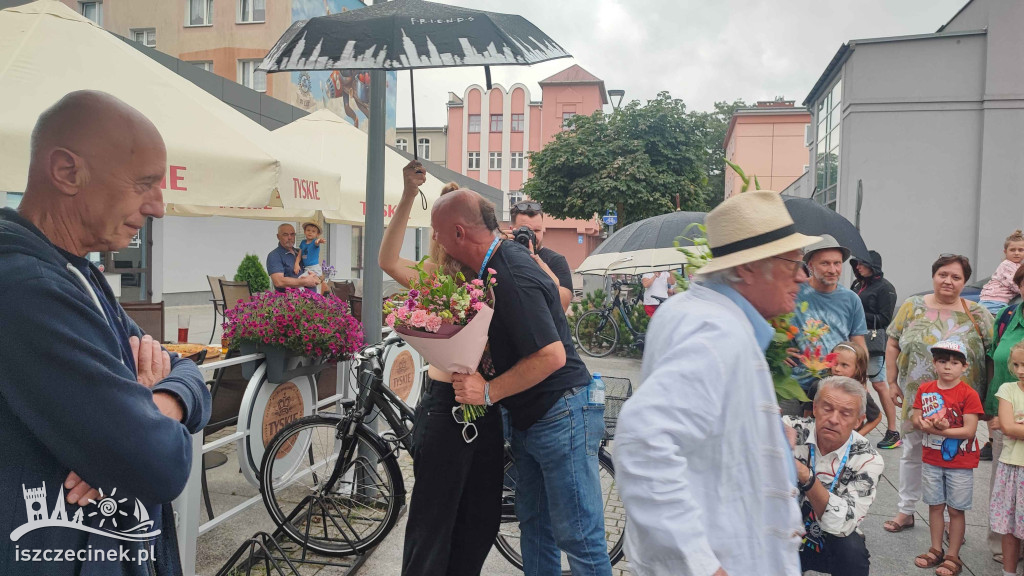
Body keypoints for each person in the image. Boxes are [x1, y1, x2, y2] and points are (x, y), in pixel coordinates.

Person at [0, 90, 211, 576]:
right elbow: (158, 463)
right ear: (67, 172)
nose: (158, 206)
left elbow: (183, 368)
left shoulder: (78, 274)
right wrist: (131, 439)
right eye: (144, 184)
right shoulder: (26, 289)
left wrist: (158, 404)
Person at [614, 191, 814, 576]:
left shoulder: (688, 308)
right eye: (793, 262)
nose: (802, 276)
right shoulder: (719, 332)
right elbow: (643, 440)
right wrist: (702, 566)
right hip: (727, 556)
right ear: (748, 269)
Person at [434, 189, 612, 576]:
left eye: (437, 232)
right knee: (536, 528)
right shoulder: (491, 267)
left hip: (561, 413)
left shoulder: (510, 272)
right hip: (532, 417)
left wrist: (486, 391)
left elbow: (552, 355)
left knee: (579, 538)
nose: (435, 241)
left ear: (459, 233)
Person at [379, 163, 503, 576]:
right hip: (444, 407)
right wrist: (408, 196)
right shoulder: (434, 279)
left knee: (480, 523)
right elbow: (387, 259)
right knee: (432, 528)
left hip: (486, 407)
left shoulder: (494, 274)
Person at [883, 254, 993, 535]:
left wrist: (988, 399)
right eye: (943, 274)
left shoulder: (978, 313)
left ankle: (946, 518)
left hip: (958, 405)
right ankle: (906, 510)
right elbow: (893, 342)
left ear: (964, 281)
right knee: (913, 453)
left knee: (949, 458)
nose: (948, 281)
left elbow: (990, 356)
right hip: (918, 398)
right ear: (933, 276)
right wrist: (892, 380)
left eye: (956, 277)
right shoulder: (912, 306)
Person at [783, 377, 884, 576]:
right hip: (784, 531)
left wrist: (806, 476)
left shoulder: (867, 459)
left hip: (830, 537)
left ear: (858, 421)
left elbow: (842, 523)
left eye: (845, 413)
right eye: (827, 408)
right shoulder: (790, 430)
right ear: (814, 408)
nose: (834, 419)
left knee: (852, 551)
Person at [910, 340, 984, 576]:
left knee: (956, 509)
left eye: (954, 363)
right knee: (935, 505)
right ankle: (935, 549)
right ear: (934, 364)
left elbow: (969, 430)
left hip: (960, 463)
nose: (947, 367)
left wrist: (938, 430)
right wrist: (922, 422)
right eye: (942, 361)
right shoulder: (925, 389)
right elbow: (916, 417)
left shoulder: (969, 394)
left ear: (964, 366)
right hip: (931, 459)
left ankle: (952, 554)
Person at [783, 234, 868, 416]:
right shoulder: (793, 292)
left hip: (831, 388)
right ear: (810, 265)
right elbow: (773, 327)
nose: (833, 269)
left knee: (824, 440)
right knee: (788, 436)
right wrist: (778, 351)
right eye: (825, 263)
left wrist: (861, 379)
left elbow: (858, 343)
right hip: (792, 384)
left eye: (837, 263)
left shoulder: (851, 300)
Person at [984, 264, 1024, 562]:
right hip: (1004, 416)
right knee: (1004, 483)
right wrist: (989, 412)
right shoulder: (1007, 316)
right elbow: (993, 363)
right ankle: (1003, 547)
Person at [851, 250, 902, 449]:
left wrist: (859, 314)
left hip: (873, 341)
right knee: (856, 383)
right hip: (854, 340)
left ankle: (893, 430)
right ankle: (859, 423)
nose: (858, 267)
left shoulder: (885, 288)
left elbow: (886, 319)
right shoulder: (858, 284)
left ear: (873, 266)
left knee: (879, 384)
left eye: (862, 264)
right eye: (856, 264)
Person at [990, 341, 1024, 576]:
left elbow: (1010, 425)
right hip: (1012, 467)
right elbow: (1008, 427)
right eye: (1016, 364)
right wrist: (1009, 425)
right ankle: (1008, 572)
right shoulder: (1008, 390)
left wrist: (1011, 425)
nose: (1021, 370)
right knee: (1009, 527)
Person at [509, 200, 573, 312]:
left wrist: (538, 266)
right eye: (526, 231)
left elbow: (563, 306)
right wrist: (495, 246)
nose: (532, 236)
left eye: (537, 230)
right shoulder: (502, 255)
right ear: (512, 231)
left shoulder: (555, 261)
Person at [825, 341, 883, 436]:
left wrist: (856, 437)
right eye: (835, 363)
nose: (837, 369)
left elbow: (877, 417)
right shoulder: (820, 387)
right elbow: (808, 413)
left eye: (844, 365)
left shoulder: (860, 394)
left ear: (857, 368)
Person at [979, 230, 1024, 315]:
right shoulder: (1006, 265)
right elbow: (1014, 283)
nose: (1016, 253)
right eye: (1012, 250)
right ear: (1005, 252)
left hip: (999, 301)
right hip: (993, 301)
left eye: (1020, 250)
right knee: (998, 324)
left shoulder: (1018, 266)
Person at [267, 223, 319, 292]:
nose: (290, 237)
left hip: (311, 299)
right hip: (291, 301)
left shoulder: (300, 252)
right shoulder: (274, 255)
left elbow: (316, 272)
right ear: (278, 237)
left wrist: (318, 279)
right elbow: (279, 282)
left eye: (292, 234)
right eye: (285, 234)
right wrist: (304, 281)